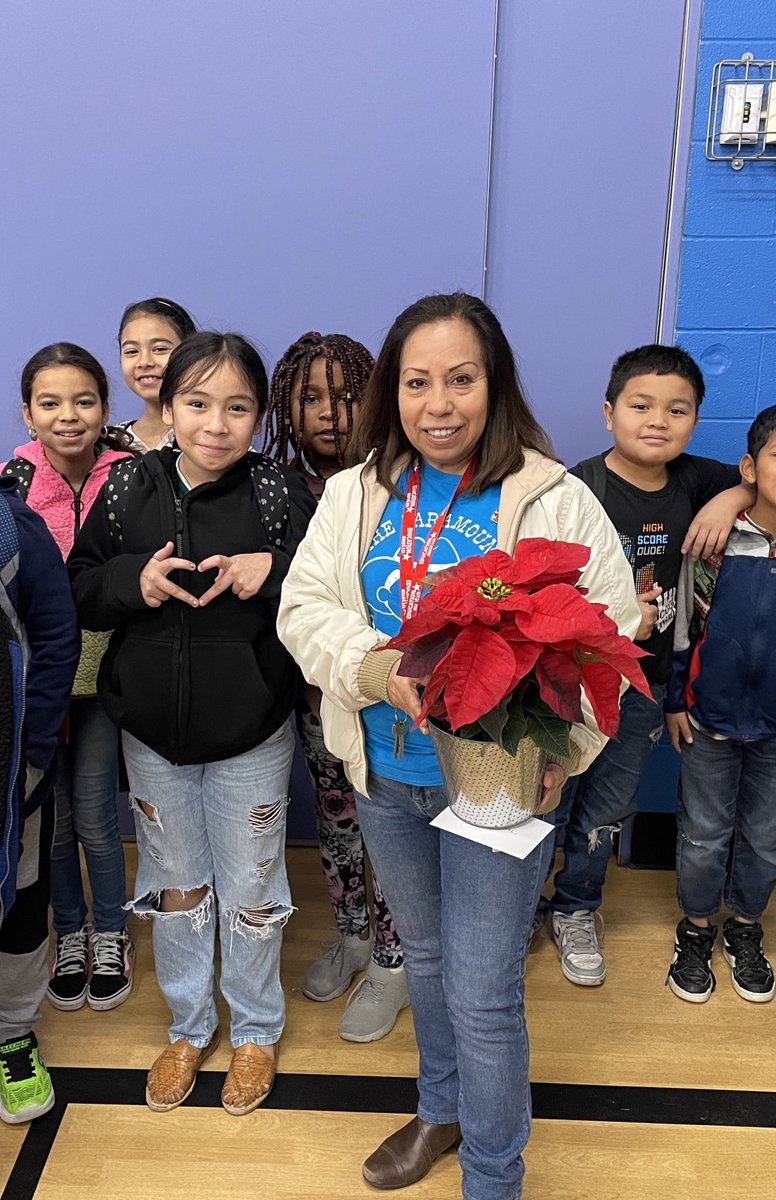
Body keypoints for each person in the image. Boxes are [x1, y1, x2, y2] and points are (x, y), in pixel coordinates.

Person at [277, 292, 641, 1200]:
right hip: (387, 777)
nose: (439, 404)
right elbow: (302, 609)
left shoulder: (552, 497)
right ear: (391, 393)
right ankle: (441, 1109)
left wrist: (571, 750)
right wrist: (374, 667)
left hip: (494, 789)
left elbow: (609, 632)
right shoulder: (359, 492)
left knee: (483, 995)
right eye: (417, 382)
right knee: (428, 963)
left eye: (461, 380)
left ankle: (493, 1172)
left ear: (495, 384)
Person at [68, 332, 314, 1116]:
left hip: (252, 732)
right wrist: (131, 583)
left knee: (250, 888)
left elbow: (326, 592)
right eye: (198, 403)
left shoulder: (280, 493)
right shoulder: (122, 488)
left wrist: (271, 571)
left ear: (257, 415)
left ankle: (255, 1030)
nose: (217, 423)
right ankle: (188, 1024)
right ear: (168, 407)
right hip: (151, 733)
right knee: (175, 888)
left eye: (237, 406)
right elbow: (78, 585)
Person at [543, 345, 752, 987]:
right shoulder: (575, 489)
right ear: (609, 413)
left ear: (693, 420)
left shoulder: (696, 481)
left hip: (643, 683)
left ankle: (577, 906)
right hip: (572, 682)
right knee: (548, 798)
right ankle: (519, 904)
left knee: (609, 802)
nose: (657, 419)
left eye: (677, 409)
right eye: (640, 405)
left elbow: (759, 482)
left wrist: (731, 497)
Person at [265, 331, 409, 1042]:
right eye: (312, 398)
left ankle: (393, 956)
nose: (331, 413)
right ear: (286, 407)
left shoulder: (395, 482)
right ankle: (352, 932)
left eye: (349, 397)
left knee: (387, 826)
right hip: (312, 695)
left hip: (385, 697)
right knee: (334, 817)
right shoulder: (272, 486)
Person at [1, 343, 136, 1013]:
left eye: (85, 401)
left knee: (95, 818)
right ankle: (70, 933)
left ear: (106, 410)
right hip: (35, 689)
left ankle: (111, 931)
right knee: (45, 827)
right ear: (28, 414)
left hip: (106, 683)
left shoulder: (133, 475)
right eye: (50, 403)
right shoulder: (12, 486)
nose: (69, 416)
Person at [665, 404, 776, 1004]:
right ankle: (697, 927)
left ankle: (745, 928)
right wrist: (677, 699)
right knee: (704, 833)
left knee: (765, 837)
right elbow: (685, 624)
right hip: (708, 720)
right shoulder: (715, 541)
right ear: (750, 467)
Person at [0, 477, 80, 1123]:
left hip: (10, 772)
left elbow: (56, 639)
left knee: (22, 898)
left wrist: (30, 755)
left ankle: (12, 1032)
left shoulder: (14, 528)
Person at [117, 296, 197, 453]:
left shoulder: (210, 438)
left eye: (159, 349)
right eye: (132, 351)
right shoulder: (112, 442)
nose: (145, 362)